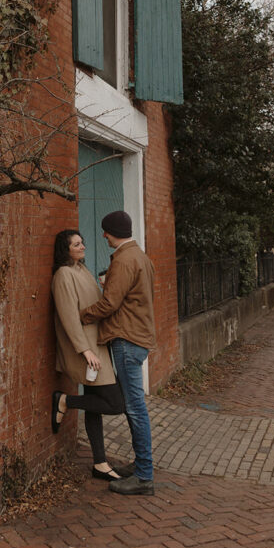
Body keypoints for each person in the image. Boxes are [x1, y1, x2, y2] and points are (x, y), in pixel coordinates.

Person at [80, 210, 156, 496]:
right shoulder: (140, 256)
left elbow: (109, 304)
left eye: (105, 231)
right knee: (135, 406)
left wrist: (81, 315)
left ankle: (145, 476)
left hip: (126, 339)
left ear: (112, 232)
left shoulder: (124, 260)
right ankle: (141, 467)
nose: (103, 236)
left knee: (135, 408)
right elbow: (131, 297)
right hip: (137, 336)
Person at [50, 229, 128, 480]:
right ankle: (64, 401)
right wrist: (84, 350)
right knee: (115, 403)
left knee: (96, 406)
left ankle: (100, 463)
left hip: (98, 345)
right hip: (87, 348)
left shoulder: (81, 270)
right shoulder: (63, 275)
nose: (82, 247)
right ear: (66, 249)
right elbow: (68, 316)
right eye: (76, 244)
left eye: (82, 242)